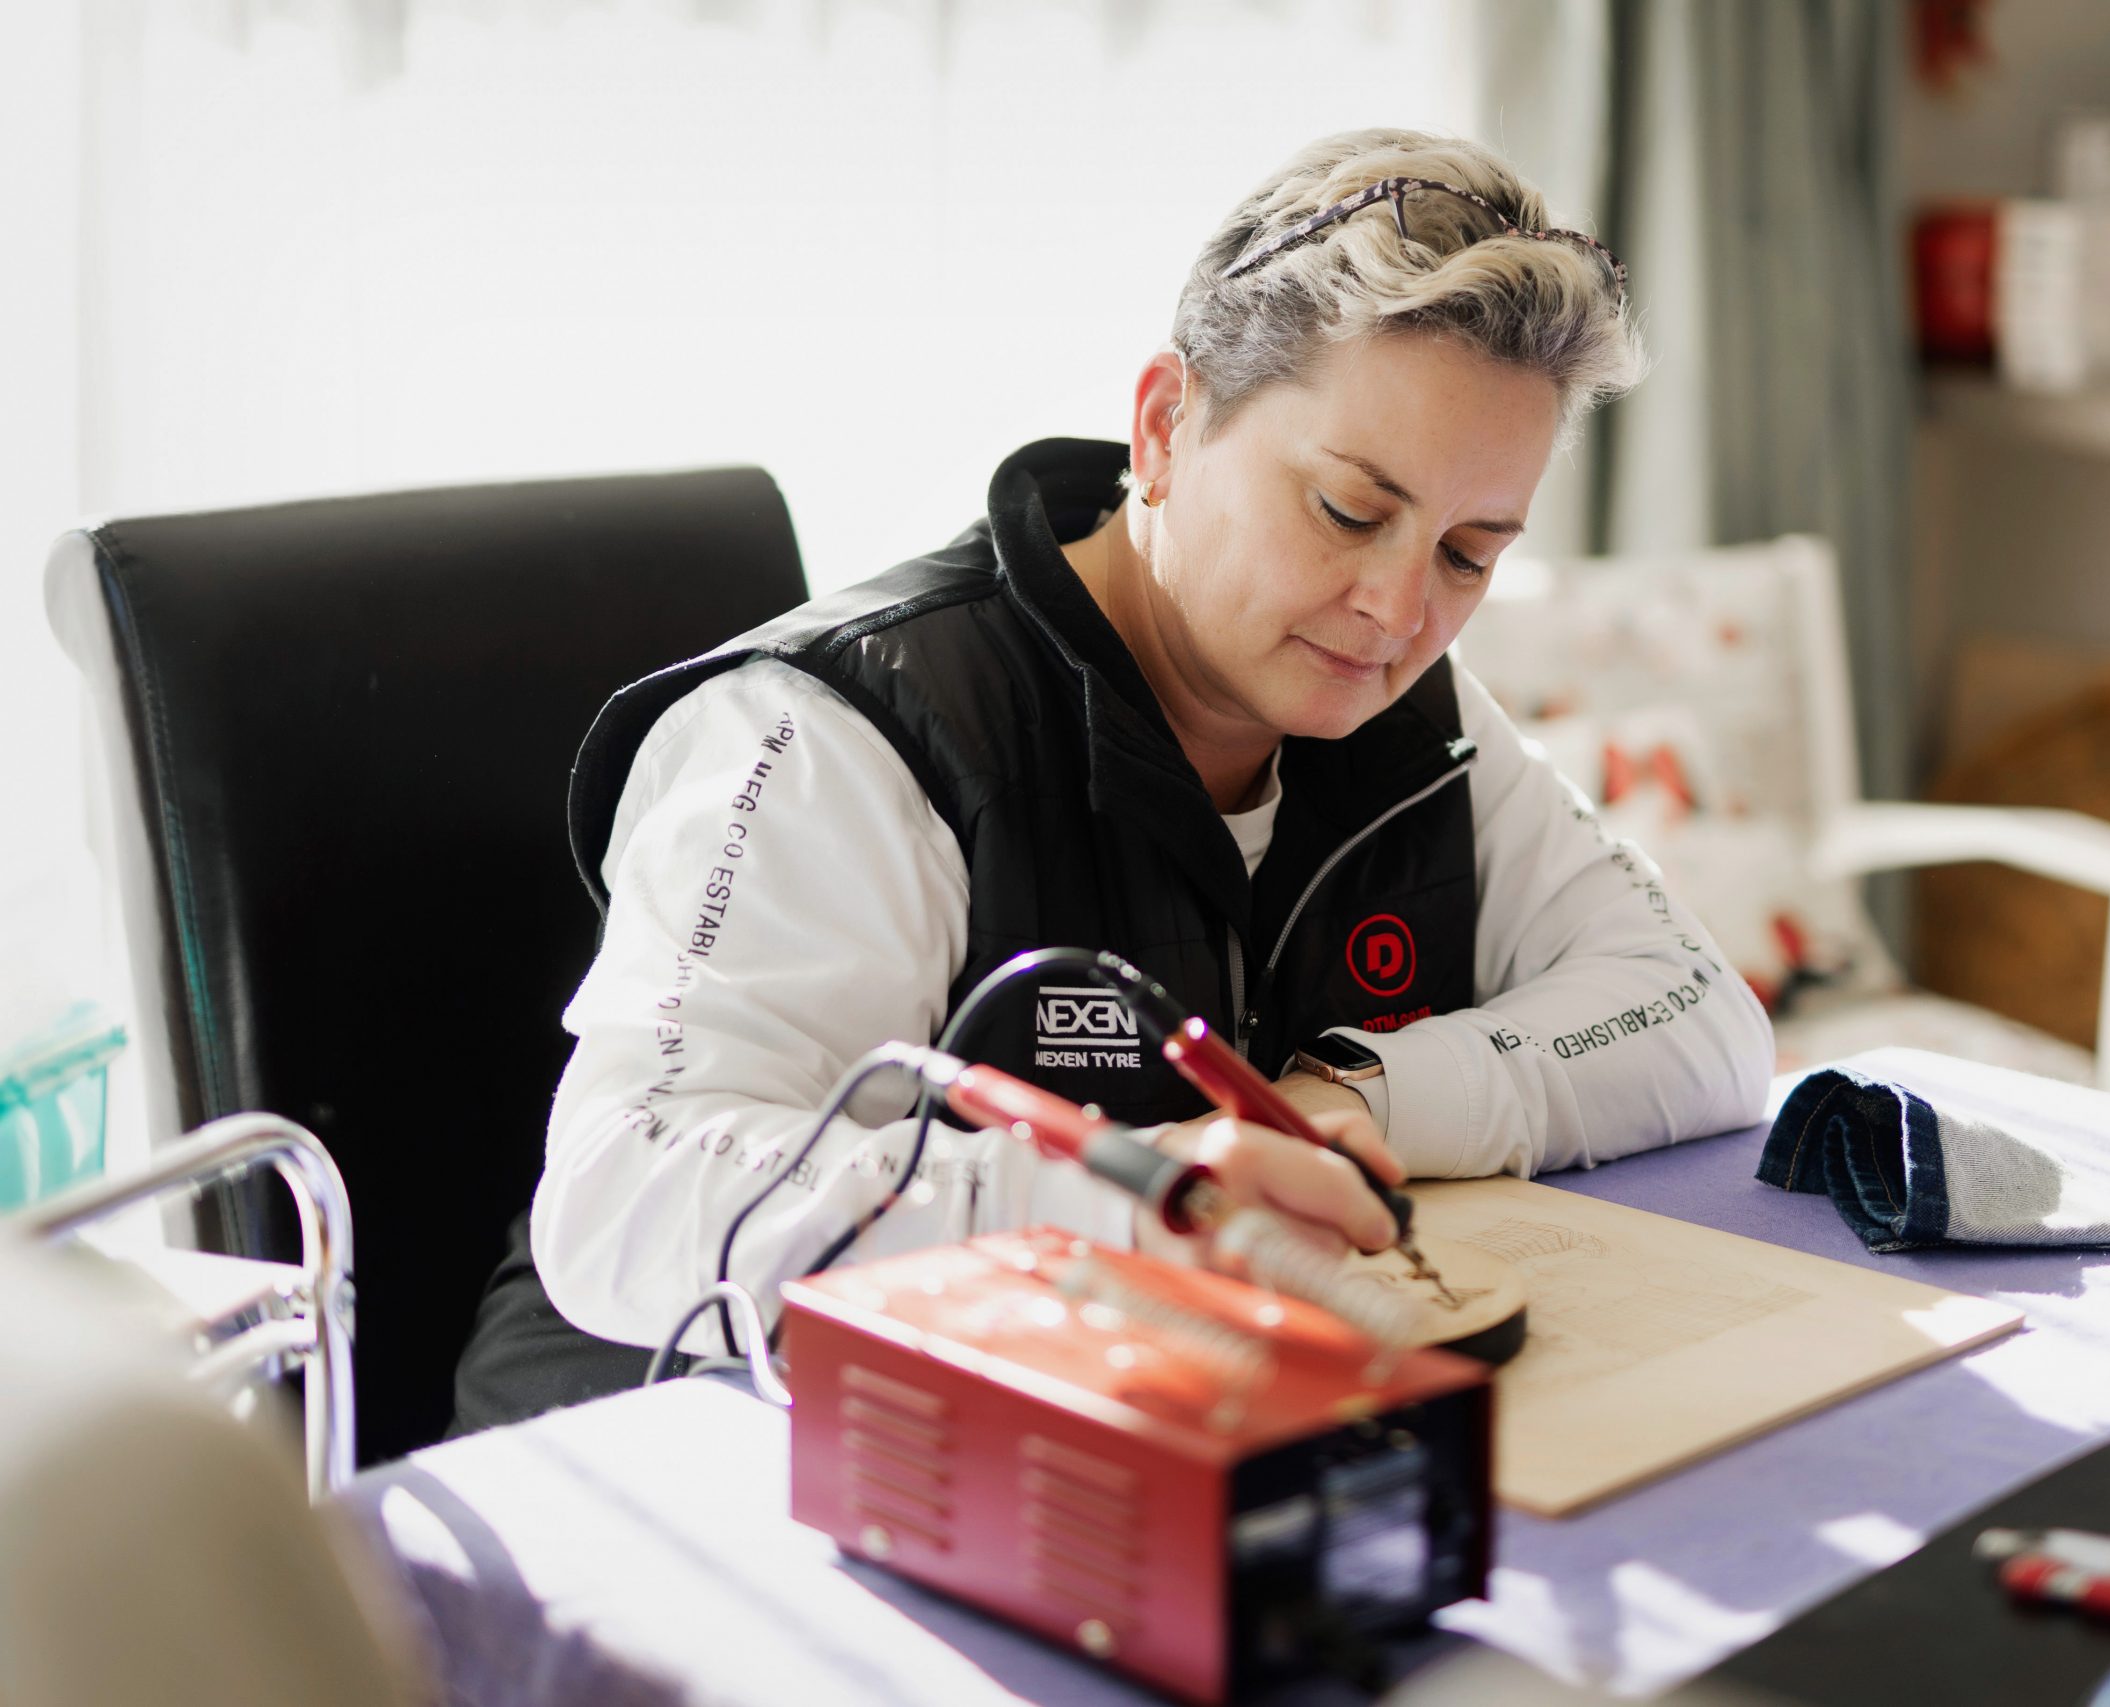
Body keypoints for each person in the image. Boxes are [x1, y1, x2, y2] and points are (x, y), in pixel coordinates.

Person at [449, 128, 1776, 1433]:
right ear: (1165, 423)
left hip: (1103, 1409)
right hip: (675, 1443)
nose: (1396, 610)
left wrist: (1356, 1097)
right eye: (1350, 512)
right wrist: (1131, 1195)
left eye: (1471, 553)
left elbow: (1698, 1018)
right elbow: (626, 1192)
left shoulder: (1404, 709)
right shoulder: (834, 733)